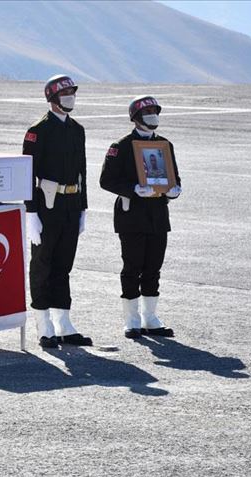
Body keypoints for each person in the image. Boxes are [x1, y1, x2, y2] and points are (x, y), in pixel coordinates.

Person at [99, 95, 181, 338]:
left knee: (153, 266)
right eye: (147, 113)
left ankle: (150, 318)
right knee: (132, 266)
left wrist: (175, 189)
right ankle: (132, 319)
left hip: (157, 214)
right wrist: (133, 189)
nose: (153, 117)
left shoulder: (164, 145)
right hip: (132, 215)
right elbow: (106, 180)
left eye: (155, 112)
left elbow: (174, 176)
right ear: (135, 118)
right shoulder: (121, 146)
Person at [22, 74, 92, 348]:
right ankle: (44, 325)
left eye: (72, 93)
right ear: (52, 99)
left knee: (64, 264)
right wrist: (31, 212)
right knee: (42, 264)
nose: (70, 98)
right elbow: (28, 172)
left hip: (71, 204)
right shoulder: (38, 130)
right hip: (47, 205)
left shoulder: (77, 129)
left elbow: (82, 171)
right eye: (64, 94)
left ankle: (64, 323)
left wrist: (83, 207)